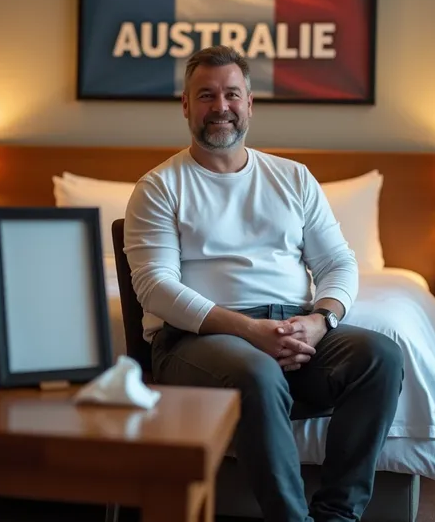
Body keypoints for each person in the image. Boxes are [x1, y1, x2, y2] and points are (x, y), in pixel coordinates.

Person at [124, 45, 404, 522]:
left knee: (381, 356)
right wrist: (247, 331)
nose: (221, 107)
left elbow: (338, 262)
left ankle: (338, 515)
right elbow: (155, 287)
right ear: (186, 106)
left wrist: (321, 320)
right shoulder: (159, 187)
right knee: (257, 370)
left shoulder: (293, 178)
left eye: (232, 94)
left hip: (294, 328)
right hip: (199, 340)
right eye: (206, 95)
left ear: (249, 103)